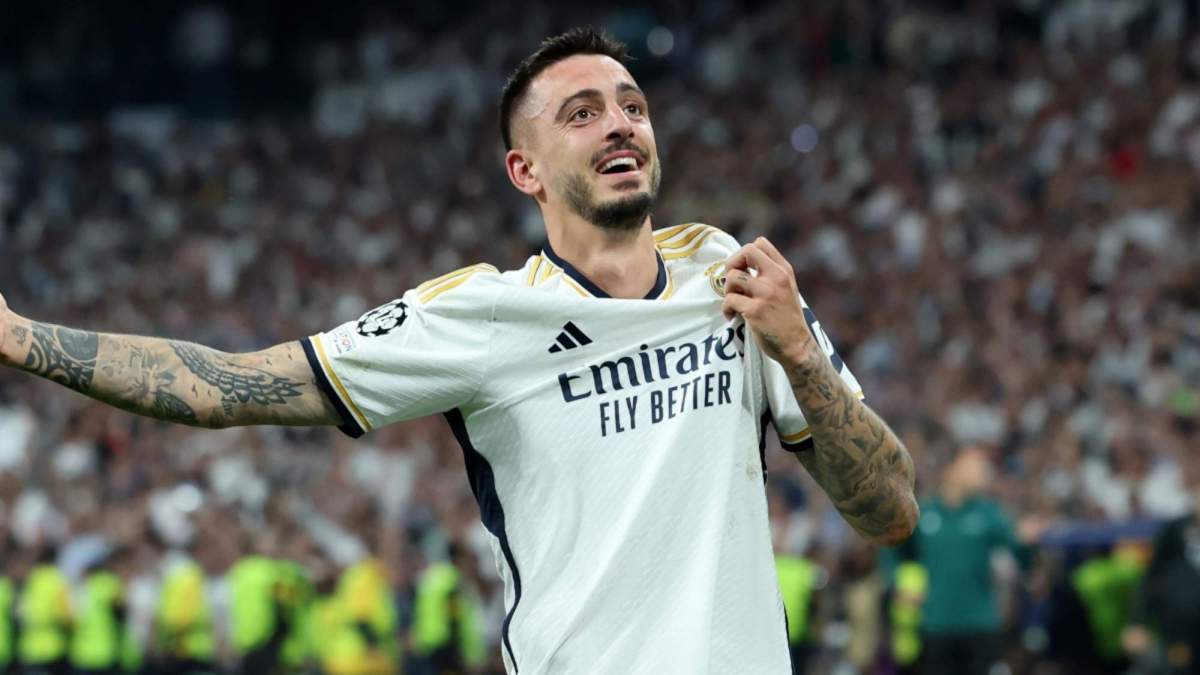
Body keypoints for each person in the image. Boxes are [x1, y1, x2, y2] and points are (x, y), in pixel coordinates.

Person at [0, 27, 917, 673]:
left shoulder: (734, 277)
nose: (620, 125)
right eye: (583, 113)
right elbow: (229, 387)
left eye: (632, 107)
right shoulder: (483, 315)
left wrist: (798, 351)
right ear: (525, 171)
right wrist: (19, 338)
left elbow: (889, 511)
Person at [884, 447, 1044, 675]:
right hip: (936, 623)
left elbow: (1021, 553)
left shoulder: (988, 512)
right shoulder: (924, 513)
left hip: (980, 624)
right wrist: (897, 584)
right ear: (951, 470)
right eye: (974, 465)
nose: (982, 472)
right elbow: (893, 552)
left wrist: (1027, 541)